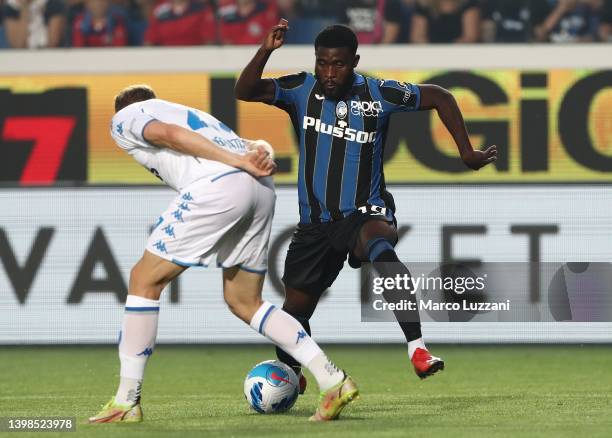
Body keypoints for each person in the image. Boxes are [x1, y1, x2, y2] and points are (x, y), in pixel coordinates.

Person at [235, 22, 497, 392]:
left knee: (380, 247)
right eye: (322, 63)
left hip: (365, 210)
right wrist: (265, 50)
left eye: (338, 64)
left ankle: (417, 348)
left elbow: (441, 96)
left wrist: (466, 151)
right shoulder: (299, 89)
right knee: (293, 316)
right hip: (315, 224)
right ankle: (296, 373)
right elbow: (244, 90)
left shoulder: (379, 93)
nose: (329, 72)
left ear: (354, 62)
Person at [88, 85, 359, 423]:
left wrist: (236, 160)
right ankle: (333, 379)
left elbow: (169, 134)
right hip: (260, 188)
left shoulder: (126, 117)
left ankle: (126, 400)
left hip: (221, 183)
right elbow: (258, 146)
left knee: (143, 280)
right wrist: (251, 156)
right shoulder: (192, 112)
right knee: (244, 301)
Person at [144, 0, 216, 46]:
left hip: (195, 57)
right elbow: (150, 41)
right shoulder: (159, 10)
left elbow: (209, 40)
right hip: (166, 58)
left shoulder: (202, 8)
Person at [410, 0, 481, 43]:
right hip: (429, 56)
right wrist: (433, 52)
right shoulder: (423, 5)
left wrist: (448, 52)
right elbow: (417, 37)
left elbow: (470, 37)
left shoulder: (468, 3)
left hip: (461, 56)